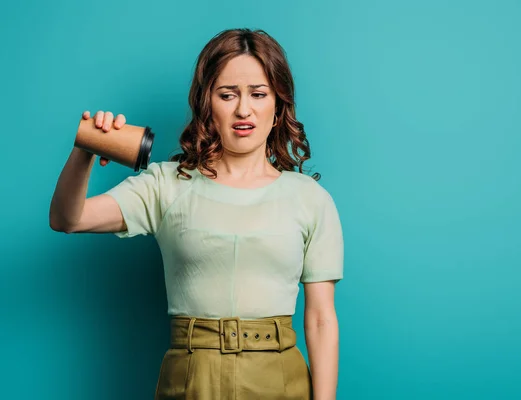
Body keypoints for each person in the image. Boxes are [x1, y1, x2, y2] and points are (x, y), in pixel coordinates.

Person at [49, 28, 343, 400]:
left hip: (279, 379)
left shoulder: (310, 199)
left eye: (258, 93)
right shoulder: (166, 184)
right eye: (227, 94)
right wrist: (85, 148)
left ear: (278, 103)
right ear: (207, 103)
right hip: (191, 380)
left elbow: (320, 320)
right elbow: (66, 219)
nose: (243, 109)